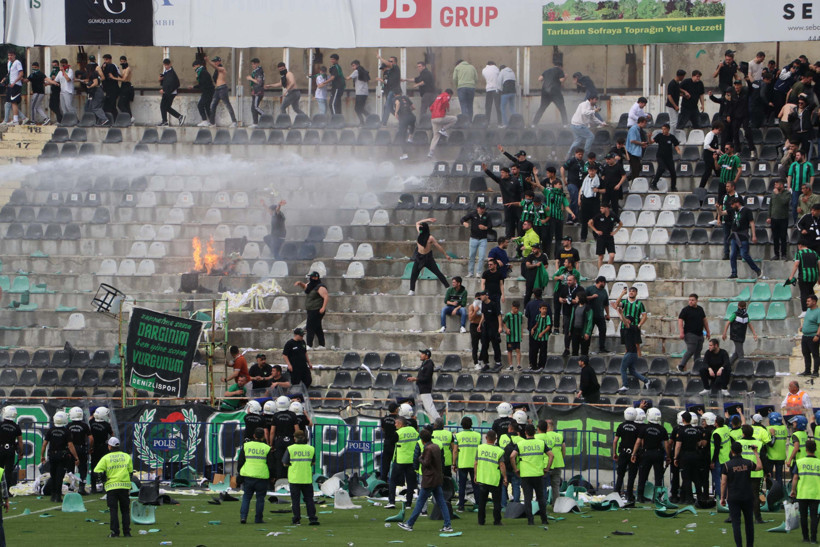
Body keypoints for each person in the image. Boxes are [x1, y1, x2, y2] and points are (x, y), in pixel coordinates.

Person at [399, 429, 453, 533]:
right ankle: (448, 525)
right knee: (441, 502)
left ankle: (409, 524)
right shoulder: (436, 446)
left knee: (420, 502)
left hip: (429, 479)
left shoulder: (427, 448)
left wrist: (420, 458)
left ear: (422, 439)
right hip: (437, 478)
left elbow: (426, 463)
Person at [721, 441, 761, 547]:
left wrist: (722, 498)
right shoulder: (748, 463)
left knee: (736, 524)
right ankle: (749, 545)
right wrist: (756, 453)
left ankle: (739, 545)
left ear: (732, 451)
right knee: (749, 523)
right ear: (741, 451)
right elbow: (760, 467)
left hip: (733, 497)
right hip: (747, 496)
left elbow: (723, 482)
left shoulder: (727, 465)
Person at [510, 424, 550, 526]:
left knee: (528, 498)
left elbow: (512, 456)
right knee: (541, 498)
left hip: (526, 474)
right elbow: (551, 455)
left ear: (525, 433)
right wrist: (547, 468)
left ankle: (530, 520)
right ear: (535, 432)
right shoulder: (541, 443)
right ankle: (544, 519)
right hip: (538, 474)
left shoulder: (521, 444)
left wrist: (515, 469)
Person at [93, 437, 133, 538]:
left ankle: (115, 532)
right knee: (125, 510)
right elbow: (130, 472)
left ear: (110, 446)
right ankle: (127, 532)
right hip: (124, 486)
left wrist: (103, 479)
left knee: (113, 510)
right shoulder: (126, 456)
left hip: (111, 486)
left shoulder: (106, 458)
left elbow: (97, 471)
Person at [236, 427, 275, 525]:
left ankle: (243, 517)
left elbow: (240, 462)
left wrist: (239, 474)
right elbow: (271, 464)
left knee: (246, 497)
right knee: (260, 499)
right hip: (262, 475)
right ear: (263, 436)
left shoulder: (246, 446)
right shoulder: (266, 448)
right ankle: (258, 519)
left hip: (248, 474)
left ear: (254, 435)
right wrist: (272, 476)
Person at [41, 411, 78, 503]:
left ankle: (53, 495)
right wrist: (76, 457)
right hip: (62, 456)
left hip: (52, 455)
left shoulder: (51, 430)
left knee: (53, 475)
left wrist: (42, 455)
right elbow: (70, 445)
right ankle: (58, 495)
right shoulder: (66, 431)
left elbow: (44, 444)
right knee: (59, 476)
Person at [408, 218, 451, 296]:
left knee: (438, 273)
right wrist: (428, 219)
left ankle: (448, 287)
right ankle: (412, 290)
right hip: (419, 257)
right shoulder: (419, 233)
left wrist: (446, 255)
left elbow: (438, 246)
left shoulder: (430, 238)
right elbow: (417, 222)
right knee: (414, 274)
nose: (420, 229)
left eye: (422, 228)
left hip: (428, 258)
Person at [284, 431, 319, 526]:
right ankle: (312, 519)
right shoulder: (311, 449)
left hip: (294, 478)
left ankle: (296, 519)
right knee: (309, 499)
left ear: (295, 438)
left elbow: (285, 462)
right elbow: (313, 463)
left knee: (295, 500)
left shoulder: (290, 448)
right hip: (306, 478)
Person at [614, 301, 649, 392]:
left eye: (626, 319)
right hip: (632, 353)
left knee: (622, 369)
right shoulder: (629, 327)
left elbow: (625, 321)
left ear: (629, 321)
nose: (625, 320)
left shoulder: (632, 327)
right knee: (632, 371)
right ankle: (646, 380)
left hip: (630, 353)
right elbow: (623, 319)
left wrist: (621, 313)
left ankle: (625, 385)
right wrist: (618, 311)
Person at [634, 408, 667, 502]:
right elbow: (667, 444)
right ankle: (656, 497)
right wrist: (668, 455)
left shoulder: (644, 428)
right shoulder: (662, 429)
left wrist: (634, 453)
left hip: (646, 453)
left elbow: (638, 442)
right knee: (658, 477)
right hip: (658, 453)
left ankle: (640, 496)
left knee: (643, 475)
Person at [483, 164, 523, 239]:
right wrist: (486, 170)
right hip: (507, 205)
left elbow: (520, 191)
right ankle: (509, 236)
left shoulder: (515, 180)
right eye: (501, 173)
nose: (501, 174)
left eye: (503, 173)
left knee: (518, 220)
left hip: (516, 204)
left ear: (507, 173)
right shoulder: (501, 180)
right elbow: (493, 176)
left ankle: (519, 236)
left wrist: (521, 199)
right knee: (508, 221)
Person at [386, 416, 418, 510]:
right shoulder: (413, 431)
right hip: (411, 460)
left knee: (393, 481)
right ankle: (408, 503)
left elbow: (391, 443)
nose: (395, 425)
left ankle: (391, 502)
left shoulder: (398, 433)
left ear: (400, 424)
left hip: (400, 460)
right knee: (410, 482)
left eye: (396, 423)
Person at [474, 430, 506, 525]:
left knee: (482, 502)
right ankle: (497, 520)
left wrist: (475, 475)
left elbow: (476, 463)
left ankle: (481, 521)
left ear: (486, 438)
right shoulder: (499, 451)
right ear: (495, 439)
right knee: (496, 502)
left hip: (483, 478)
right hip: (494, 479)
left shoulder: (480, 448)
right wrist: (505, 477)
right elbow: (502, 465)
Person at [674, 412, 706, 505]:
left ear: (683, 420)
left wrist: (675, 457)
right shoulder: (696, 430)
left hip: (685, 456)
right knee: (696, 477)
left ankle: (689, 498)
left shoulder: (681, 430)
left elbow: (678, 445)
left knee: (686, 478)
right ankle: (700, 497)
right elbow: (700, 443)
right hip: (695, 455)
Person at [727, 197, 764, 279]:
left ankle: (757, 270)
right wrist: (718, 209)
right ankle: (734, 272)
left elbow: (752, 223)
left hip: (743, 235)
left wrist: (753, 235)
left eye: (733, 204)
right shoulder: (733, 211)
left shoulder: (747, 211)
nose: (732, 206)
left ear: (737, 203)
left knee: (744, 254)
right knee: (732, 254)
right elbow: (722, 213)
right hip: (734, 235)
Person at [294, 271, 328, 350]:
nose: (311, 278)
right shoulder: (311, 285)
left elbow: (326, 297)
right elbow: (305, 286)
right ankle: (322, 345)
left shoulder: (320, 287)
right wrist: (300, 283)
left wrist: (323, 308)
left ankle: (309, 345)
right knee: (318, 328)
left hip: (317, 310)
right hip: (311, 310)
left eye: (312, 277)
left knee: (310, 327)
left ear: (316, 278)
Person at [737, 425, 764, 524]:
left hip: (741, 472)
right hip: (756, 473)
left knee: (739, 494)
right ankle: (758, 518)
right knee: (755, 496)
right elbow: (764, 458)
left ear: (743, 433)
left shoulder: (739, 443)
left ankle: (734, 516)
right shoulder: (759, 443)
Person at [453, 416, 480, 511]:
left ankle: (461, 506)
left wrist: (454, 463)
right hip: (474, 464)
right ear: (471, 424)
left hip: (463, 463)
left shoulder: (458, 436)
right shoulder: (478, 435)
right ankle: (477, 505)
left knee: (462, 486)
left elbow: (455, 451)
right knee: (476, 485)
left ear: (461, 425)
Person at [677, 294, 709, 372]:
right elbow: (680, 320)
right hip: (690, 333)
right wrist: (681, 332)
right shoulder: (686, 310)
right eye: (690, 300)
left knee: (698, 352)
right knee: (691, 350)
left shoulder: (700, 309)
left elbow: (704, 320)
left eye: (692, 300)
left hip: (699, 334)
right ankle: (681, 365)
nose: (690, 301)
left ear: (696, 301)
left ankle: (697, 367)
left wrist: (708, 331)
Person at [614, 408, 640, 502]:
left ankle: (616, 493)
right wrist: (634, 453)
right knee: (631, 475)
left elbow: (615, 440)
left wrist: (614, 453)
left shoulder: (621, 426)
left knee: (620, 474)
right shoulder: (637, 427)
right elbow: (638, 442)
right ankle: (630, 495)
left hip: (623, 452)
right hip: (633, 453)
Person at [568, 95, 606, 160]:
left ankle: (569, 153)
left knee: (578, 140)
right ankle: (586, 153)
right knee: (590, 136)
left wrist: (601, 123)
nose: (596, 101)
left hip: (576, 125)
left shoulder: (592, 107)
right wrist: (594, 111)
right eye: (595, 99)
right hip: (578, 125)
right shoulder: (584, 104)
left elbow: (593, 118)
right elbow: (584, 112)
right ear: (590, 99)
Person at [462, 203, 492, 278]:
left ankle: (479, 272)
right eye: (481, 208)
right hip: (473, 238)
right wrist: (464, 223)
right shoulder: (473, 214)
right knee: (472, 256)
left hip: (483, 239)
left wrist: (485, 227)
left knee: (481, 257)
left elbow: (490, 226)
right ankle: (470, 272)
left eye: (483, 208)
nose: (482, 210)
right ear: (477, 208)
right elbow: (463, 219)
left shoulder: (487, 215)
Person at [205, 56, 237, 127]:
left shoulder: (222, 68)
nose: (215, 63)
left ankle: (234, 122)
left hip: (222, 88)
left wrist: (208, 61)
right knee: (212, 105)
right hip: (217, 89)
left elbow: (216, 67)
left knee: (227, 105)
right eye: (214, 61)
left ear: (219, 62)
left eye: (216, 61)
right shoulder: (216, 71)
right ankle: (212, 123)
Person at [615, 286, 647, 357]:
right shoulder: (624, 302)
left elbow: (645, 316)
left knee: (637, 345)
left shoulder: (639, 303)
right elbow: (616, 305)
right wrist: (622, 294)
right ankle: (628, 363)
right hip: (625, 326)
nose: (631, 292)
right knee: (627, 346)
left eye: (633, 291)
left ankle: (639, 363)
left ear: (636, 293)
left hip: (635, 326)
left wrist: (639, 325)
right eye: (630, 291)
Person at [533, 60, 567, 126]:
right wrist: (565, 77)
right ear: (561, 67)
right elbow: (561, 80)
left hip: (545, 92)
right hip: (555, 92)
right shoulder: (560, 70)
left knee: (542, 108)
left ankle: (534, 124)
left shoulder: (547, 71)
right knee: (562, 108)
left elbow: (539, 79)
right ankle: (565, 124)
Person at [790, 241, 820, 315]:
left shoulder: (799, 253)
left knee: (804, 293)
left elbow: (796, 264)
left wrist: (791, 276)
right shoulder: (814, 253)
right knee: (811, 292)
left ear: (800, 245)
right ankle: (814, 309)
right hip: (814, 276)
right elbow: (819, 264)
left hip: (804, 276)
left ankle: (804, 311)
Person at [408, 348, 438, 419]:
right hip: (420, 390)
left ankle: (438, 421)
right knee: (420, 408)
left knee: (429, 408)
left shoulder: (429, 365)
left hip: (425, 390)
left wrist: (415, 379)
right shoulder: (424, 364)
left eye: (422, 354)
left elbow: (426, 378)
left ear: (427, 356)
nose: (421, 355)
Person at [589, 202, 621, 269]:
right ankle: (601, 271)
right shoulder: (599, 216)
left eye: (602, 208)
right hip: (601, 237)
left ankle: (608, 268)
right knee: (600, 256)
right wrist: (596, 231)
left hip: (609, 237)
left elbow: (620, 223)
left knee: (612, 255)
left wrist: (615, 231)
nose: (601, 210)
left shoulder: (613, 215)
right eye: (600, 208)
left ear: (607, 208)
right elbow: (590, 223)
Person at [66, 407, 91, 495]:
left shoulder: (68, 426)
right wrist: (90, 448)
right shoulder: (84, 425)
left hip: (70, 449)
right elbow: (91, 438)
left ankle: (71, 487)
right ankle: (81, 488)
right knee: (83, 469)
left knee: (70, 469)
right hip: (81, 448)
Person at [651, 123, 682, 191]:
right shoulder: (659, 136)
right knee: (661, 168)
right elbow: (651, 142)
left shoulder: (671, 137)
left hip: (669, 157)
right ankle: (654, 183)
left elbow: (676, 145)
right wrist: (649, 137)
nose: (663, 131)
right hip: (660, 156)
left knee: (673, 172)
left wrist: (678, 151)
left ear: (668, 129)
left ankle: (673, 187)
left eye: (664, 129)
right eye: (662, 129)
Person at [789, 149, 816, 223]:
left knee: (807, 205)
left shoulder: (809, 165)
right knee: (795, 205)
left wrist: (810, 186)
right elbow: (790, 176)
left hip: (806, 189)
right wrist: (789, 186)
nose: (796, 157)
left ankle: (808, 222)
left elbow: (812, 176)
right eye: (796, 155)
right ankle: (796, 222)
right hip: (796, 188)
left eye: (798, 155)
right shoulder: (793, 165)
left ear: (803, 156)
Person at [478, 291, 503, 370]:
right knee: (484, 345)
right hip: (486, 326)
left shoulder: (493, 304)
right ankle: (486, 363)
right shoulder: (483, 304)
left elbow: (499, 316)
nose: (481, 297)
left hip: (494, 326)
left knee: (495, 344)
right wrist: (479, 324)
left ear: (487, 296)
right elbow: (483, 315)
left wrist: (500, 327)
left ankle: (498, 362)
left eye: (482, 295)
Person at [429, 88, 457, 157]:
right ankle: (443, 129)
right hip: (440, 117)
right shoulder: (446, 95)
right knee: (454, 119)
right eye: (451, 96)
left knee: (436, 136)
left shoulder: (437, 98)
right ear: (450, 94)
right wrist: (447, 107)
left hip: (433, 119)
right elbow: (445, 101)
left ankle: (430, 152)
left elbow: (431, 108)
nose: (450, 98)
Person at [585, 276, 610, 353]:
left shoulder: (604, 291)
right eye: (604, 282)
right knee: (589, 332)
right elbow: (583, 298)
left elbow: (606, 304)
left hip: (600, 315)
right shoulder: (590, 289)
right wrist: (592, 297)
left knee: (603, 331)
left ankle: (602, 347)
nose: (604, 284)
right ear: (600, 282)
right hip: (591, 315)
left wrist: (608, 314)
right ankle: (586, 347)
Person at [768, 179, 792, 259]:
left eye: (777, 184)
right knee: (775, 237)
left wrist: (778, 194)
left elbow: (784, 202)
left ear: (781, 185)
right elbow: (770, 205)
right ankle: (776, 254)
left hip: (783, 218)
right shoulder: (773, 194)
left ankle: (784, 254)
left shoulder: (787, 193)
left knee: (783, 237)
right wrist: (769, 216)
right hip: (774, 218)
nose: (775, 186)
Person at [0, 407, 21, 493]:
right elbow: (20, 441)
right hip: (10, 450)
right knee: (8, 471)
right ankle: (7, 491)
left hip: (0, 449)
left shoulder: (0, 424)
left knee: (0, 470)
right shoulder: (16, 427)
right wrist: (21, 452)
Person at [158, 58, 184, 127]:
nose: (166, 66)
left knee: (165, 106)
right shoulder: (166, 72)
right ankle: (168, 120)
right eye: (165, 65)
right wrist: (161, 80)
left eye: (167, 65)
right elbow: (165, 83)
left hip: (170, 93)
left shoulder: (171, 73)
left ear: (170, 64)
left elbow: (174, 84)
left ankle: (168, 120)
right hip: (167, 92)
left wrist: (165, 90)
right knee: (165, 107)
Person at [698, 122, 724, 188]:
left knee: (718, 171)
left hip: (714, 156)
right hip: (709, 156)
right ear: (715, 128)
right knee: (708, 172)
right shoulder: (710, 135)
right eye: (719, 130)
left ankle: (722, 186)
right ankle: (701, 187)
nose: (720, 132)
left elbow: (714, 146)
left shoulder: (715, 136)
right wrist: (715, 150)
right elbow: (706, 145)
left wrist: (719, 151)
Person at [191, 58, 215, 127]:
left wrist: (197, 78)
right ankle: (212, 122)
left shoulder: (202, 72)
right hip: (208, 91)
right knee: (207, 106)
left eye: (194, 66)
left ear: (198, 65)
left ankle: (205, 121)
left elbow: (203, 83)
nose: (194, 69)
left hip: (207, 91)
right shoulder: (202, 72)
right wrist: (194, 87)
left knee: (200, 105)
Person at [376, 55, 399, 125]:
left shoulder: (395, 68)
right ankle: (402, 118)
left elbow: (386, 81)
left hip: (393, 90)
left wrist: (380, 58)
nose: (383, 70)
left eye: (391, 61)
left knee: (387, 106)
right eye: (389, 61)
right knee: (390, 108)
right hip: (389, 90)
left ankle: (383, 122)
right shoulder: (391, 71)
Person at [1, 51, 23, 126]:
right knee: (9, 102)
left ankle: (16, 120)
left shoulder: (17, 62)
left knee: (14, 102)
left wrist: (15, 81)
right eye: (9, 55)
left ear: (14, 55)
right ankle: (18, 118)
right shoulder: (9, 63)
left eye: (11, 55)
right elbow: (9, 73)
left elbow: (21, 73)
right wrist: (5, 80)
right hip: (11, 85)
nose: (10, 57)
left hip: (16, 84)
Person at [801, 295, 820, 376]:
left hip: (813, 336)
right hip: (805, 336)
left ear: (814, 302)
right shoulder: (808, 310)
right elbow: (807, 320)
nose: (807, 303)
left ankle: (815, 371)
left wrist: (817, 335)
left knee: (815, 354)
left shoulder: (818, 312)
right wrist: (802, 327)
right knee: (806, 353)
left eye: (809, 301)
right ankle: (807, 370)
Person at [380, 404, 399, 481]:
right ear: (396, 409)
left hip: (387, 442)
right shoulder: (399, 419)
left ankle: (383, 482)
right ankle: (396, 482)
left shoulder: (384, 419)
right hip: (395, 443)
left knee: (385, 465)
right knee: (397, 464)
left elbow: (383, 429)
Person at [347, 60, 370, 125]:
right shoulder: (363, 71)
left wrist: (342, 78)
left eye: (353, 66)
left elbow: (349, 78)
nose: (353, 68)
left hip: (360, 92)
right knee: (360, 108)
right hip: (364, 93)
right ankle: (368, 118)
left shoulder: (356, 71)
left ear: (357, 65)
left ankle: (364, 120)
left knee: (357, 109)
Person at [626, 116, 649, 181]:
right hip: (632, 152)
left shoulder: (639, 130)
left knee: (638, 168)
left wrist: (642, 145)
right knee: (635, 170)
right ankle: (632, 183)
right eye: (644, 123)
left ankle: (628, 180)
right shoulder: (633, 129)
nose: (645, 125)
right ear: (641, 122)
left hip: (636, 152)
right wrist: (641, 143)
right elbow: (632, 140)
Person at [503, 302, 524, 371]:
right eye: (515, 308)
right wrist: (506, 329)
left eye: (517, 308)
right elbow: (503, 322)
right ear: (512, 307)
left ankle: (518, 365)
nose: (516, 310)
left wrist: (521, 333)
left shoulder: (520, 314)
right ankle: (511, 365)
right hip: (510, 337)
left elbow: (521, 324)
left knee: (518, 350)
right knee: (510, 351)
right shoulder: (508, 315)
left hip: (517, 336)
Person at [244, 58, 265, 127]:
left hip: (258, 92)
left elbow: (259, 82)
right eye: (252, 64)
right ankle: (255, 123)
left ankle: (266, 116)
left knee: (255, 107)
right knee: (253, 108)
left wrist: (251, 79)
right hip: (255, 91)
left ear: (258, 63)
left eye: (254, 64)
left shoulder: (259, 71)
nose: (253, 65)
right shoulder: (256, 71)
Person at [112, 56, 133, 122]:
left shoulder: (128, 69)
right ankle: (130, 118)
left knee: (120, 104)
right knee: (126, 104)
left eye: (123, 61)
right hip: (123, 86)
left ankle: (129, 117)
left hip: (127, 86)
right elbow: (122, 77)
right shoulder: (123, 69)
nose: (122, 63)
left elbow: (124, 79)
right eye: (121, 61)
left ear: (126, 61)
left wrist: (113, 78)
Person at [99, 54, 119, 119]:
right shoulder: (104, 66)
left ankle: (115, 119)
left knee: (112, 105)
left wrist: (104, 69)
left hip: (113, 89)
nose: (105, 61)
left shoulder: (111, 66)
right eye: (104, 59)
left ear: (110, 59)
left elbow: (108, 76)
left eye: (106, 59)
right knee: (107, 106)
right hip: (107, 89)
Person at [482, 61, 501, 125]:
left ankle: (487, 122)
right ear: (493, 64)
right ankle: (499, 123)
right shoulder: (497, 69)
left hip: (488, 89)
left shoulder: (484, 70)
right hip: (496, 89)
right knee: (498, 106)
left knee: (488, 106)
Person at [468, 292, 483, 370]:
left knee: (484, 344)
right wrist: (475, 311)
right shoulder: (471, 306)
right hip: (474, 326)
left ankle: (480, 359)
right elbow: (470, 318)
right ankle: (476, 362)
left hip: (481, 326)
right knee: (475, 345)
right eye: (478, 299)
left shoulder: (483, 306)